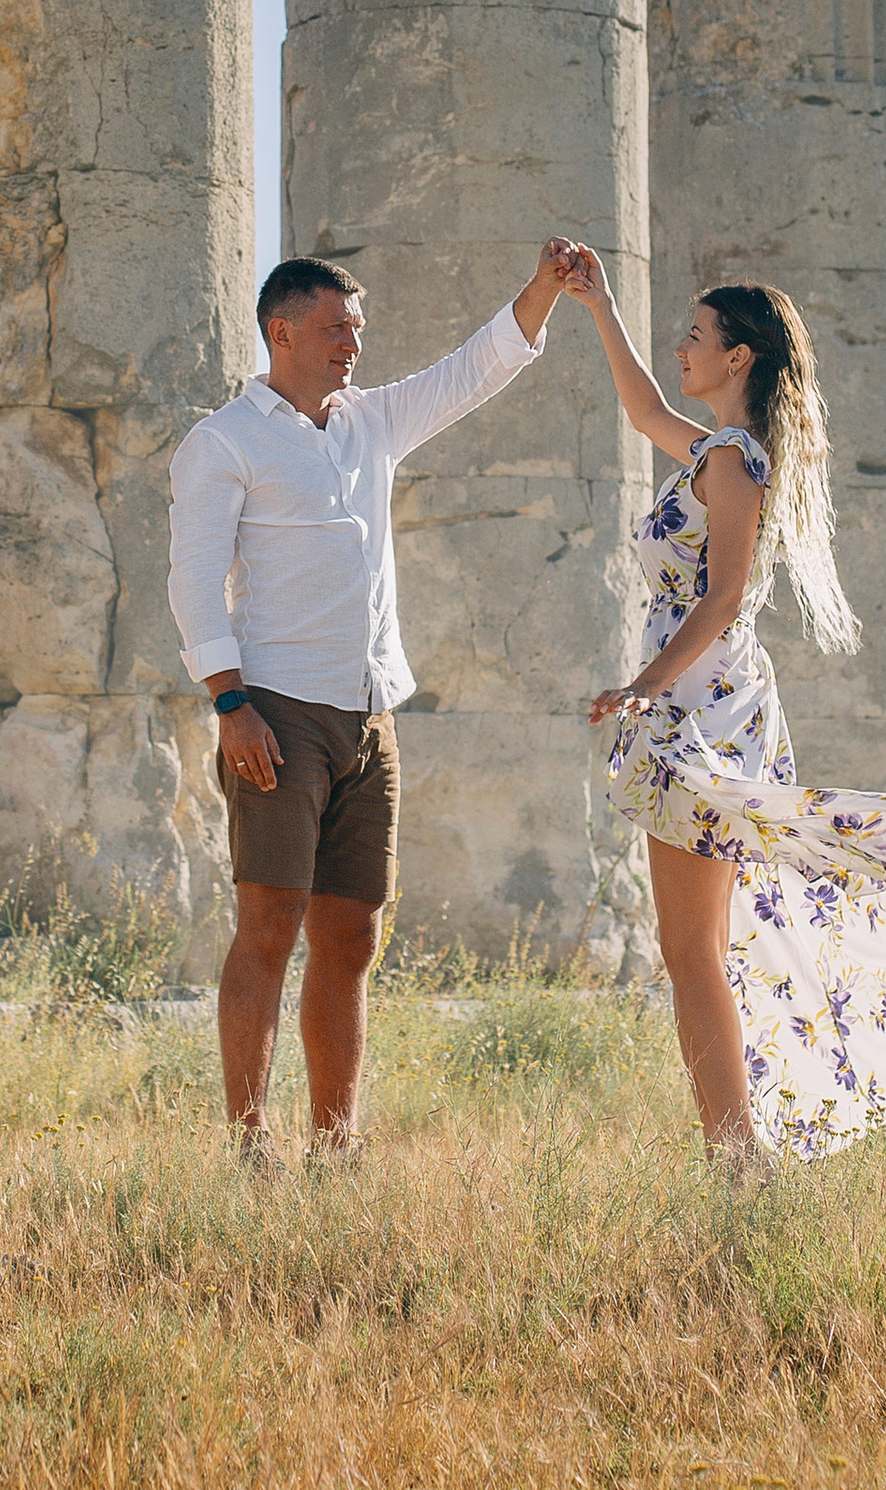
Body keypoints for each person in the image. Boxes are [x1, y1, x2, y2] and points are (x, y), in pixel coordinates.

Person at [556, 247, 886, 1165]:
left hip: (699, 714)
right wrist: (598, 305)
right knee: (699, 946)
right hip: (702, 706)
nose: (681, 347)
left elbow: (722, 596)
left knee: (691, 947)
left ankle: (738, 1158)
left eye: (695, 336)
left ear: (739, 358)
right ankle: (738, 1151)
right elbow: (645, 409)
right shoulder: (722, 450)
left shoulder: (733, 464)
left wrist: (642, 689)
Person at [168, 241, 581, 1158]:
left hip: (371, 714)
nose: (353, 344)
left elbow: (471, 372)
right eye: (337, 328)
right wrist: (229, 704)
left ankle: (335, 1144)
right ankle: (247, 1144)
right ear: (283, 330)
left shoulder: (372, 421)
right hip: (273, 710)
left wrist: (543, 290)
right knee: (269, 928)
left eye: (358, 329)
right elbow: (195, 582)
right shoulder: (222, 442)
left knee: (352, 935)